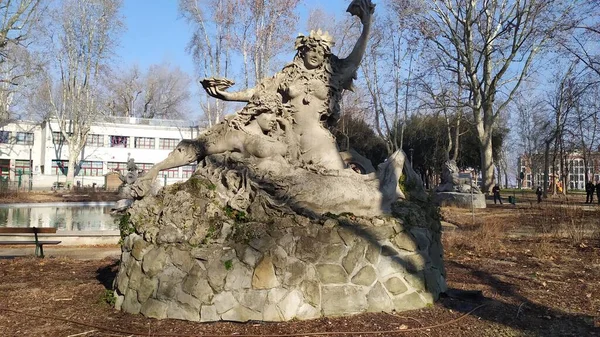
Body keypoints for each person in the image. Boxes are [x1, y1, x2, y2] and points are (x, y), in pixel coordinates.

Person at [202, 0, 374, 171]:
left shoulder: (331, 75)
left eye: (321, 52)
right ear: (303, 51)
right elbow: (259, 92)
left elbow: (354, 61)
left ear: (325, 57)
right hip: (285, 141)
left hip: (318, 142)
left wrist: (366, 26)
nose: (316, 54)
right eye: (312, 49)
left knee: (338, 180)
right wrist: (227, 95)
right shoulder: (287, 76)